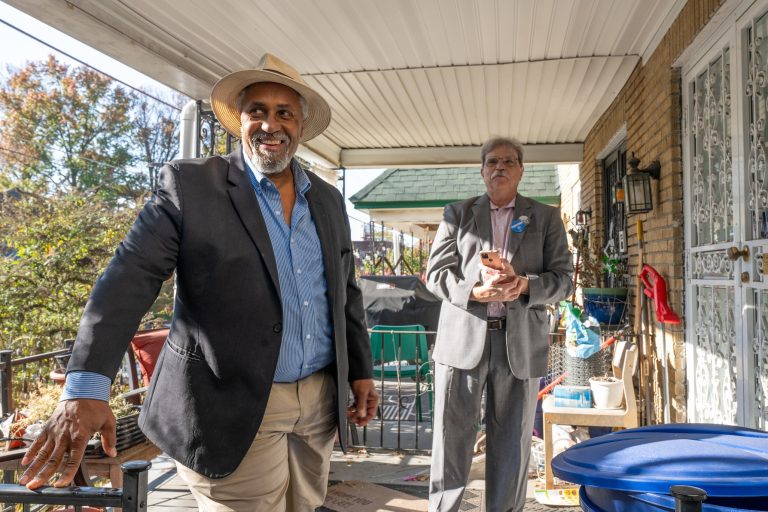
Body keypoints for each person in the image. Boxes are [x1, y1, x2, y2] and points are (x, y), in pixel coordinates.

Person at [19, 53, 379, 512]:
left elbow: (344, 290)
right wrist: (88, 387)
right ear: (239, 123)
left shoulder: (327, 200)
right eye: (258, 112)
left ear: (301, 126)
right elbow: (130, 276)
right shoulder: (190, 186)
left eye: (284, 112)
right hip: (232, 401)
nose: (271, 124)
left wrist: (360, 371)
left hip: (319, 402)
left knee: (305, 506)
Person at [426, 137, 572, 512]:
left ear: (521, 169)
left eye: (508, 161)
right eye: (492, 162)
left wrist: (524, 285)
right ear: (482, 170)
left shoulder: (546, 216)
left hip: (519, 345)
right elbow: (435, 274)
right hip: (462, 344)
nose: (500, 167)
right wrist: (474, 291)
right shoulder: (456, 214)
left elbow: (564, 279)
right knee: (450, 442)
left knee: (512, 446)